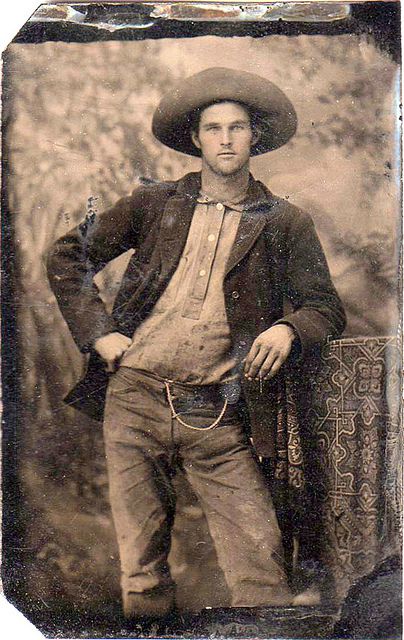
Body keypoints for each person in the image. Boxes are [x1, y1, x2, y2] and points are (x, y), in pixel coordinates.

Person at [46, 67, 346, 619]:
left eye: (237, 127)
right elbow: (68, 257)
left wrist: (289, 327)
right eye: (214, 128)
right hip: (134, 398)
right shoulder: (154, 204)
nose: (226, 139)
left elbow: (326, 308)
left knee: (261, 565)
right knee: (141, 567)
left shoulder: (285, 221)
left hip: (220, 413)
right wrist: (99, 333)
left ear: (256, 136)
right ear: (196, 138)